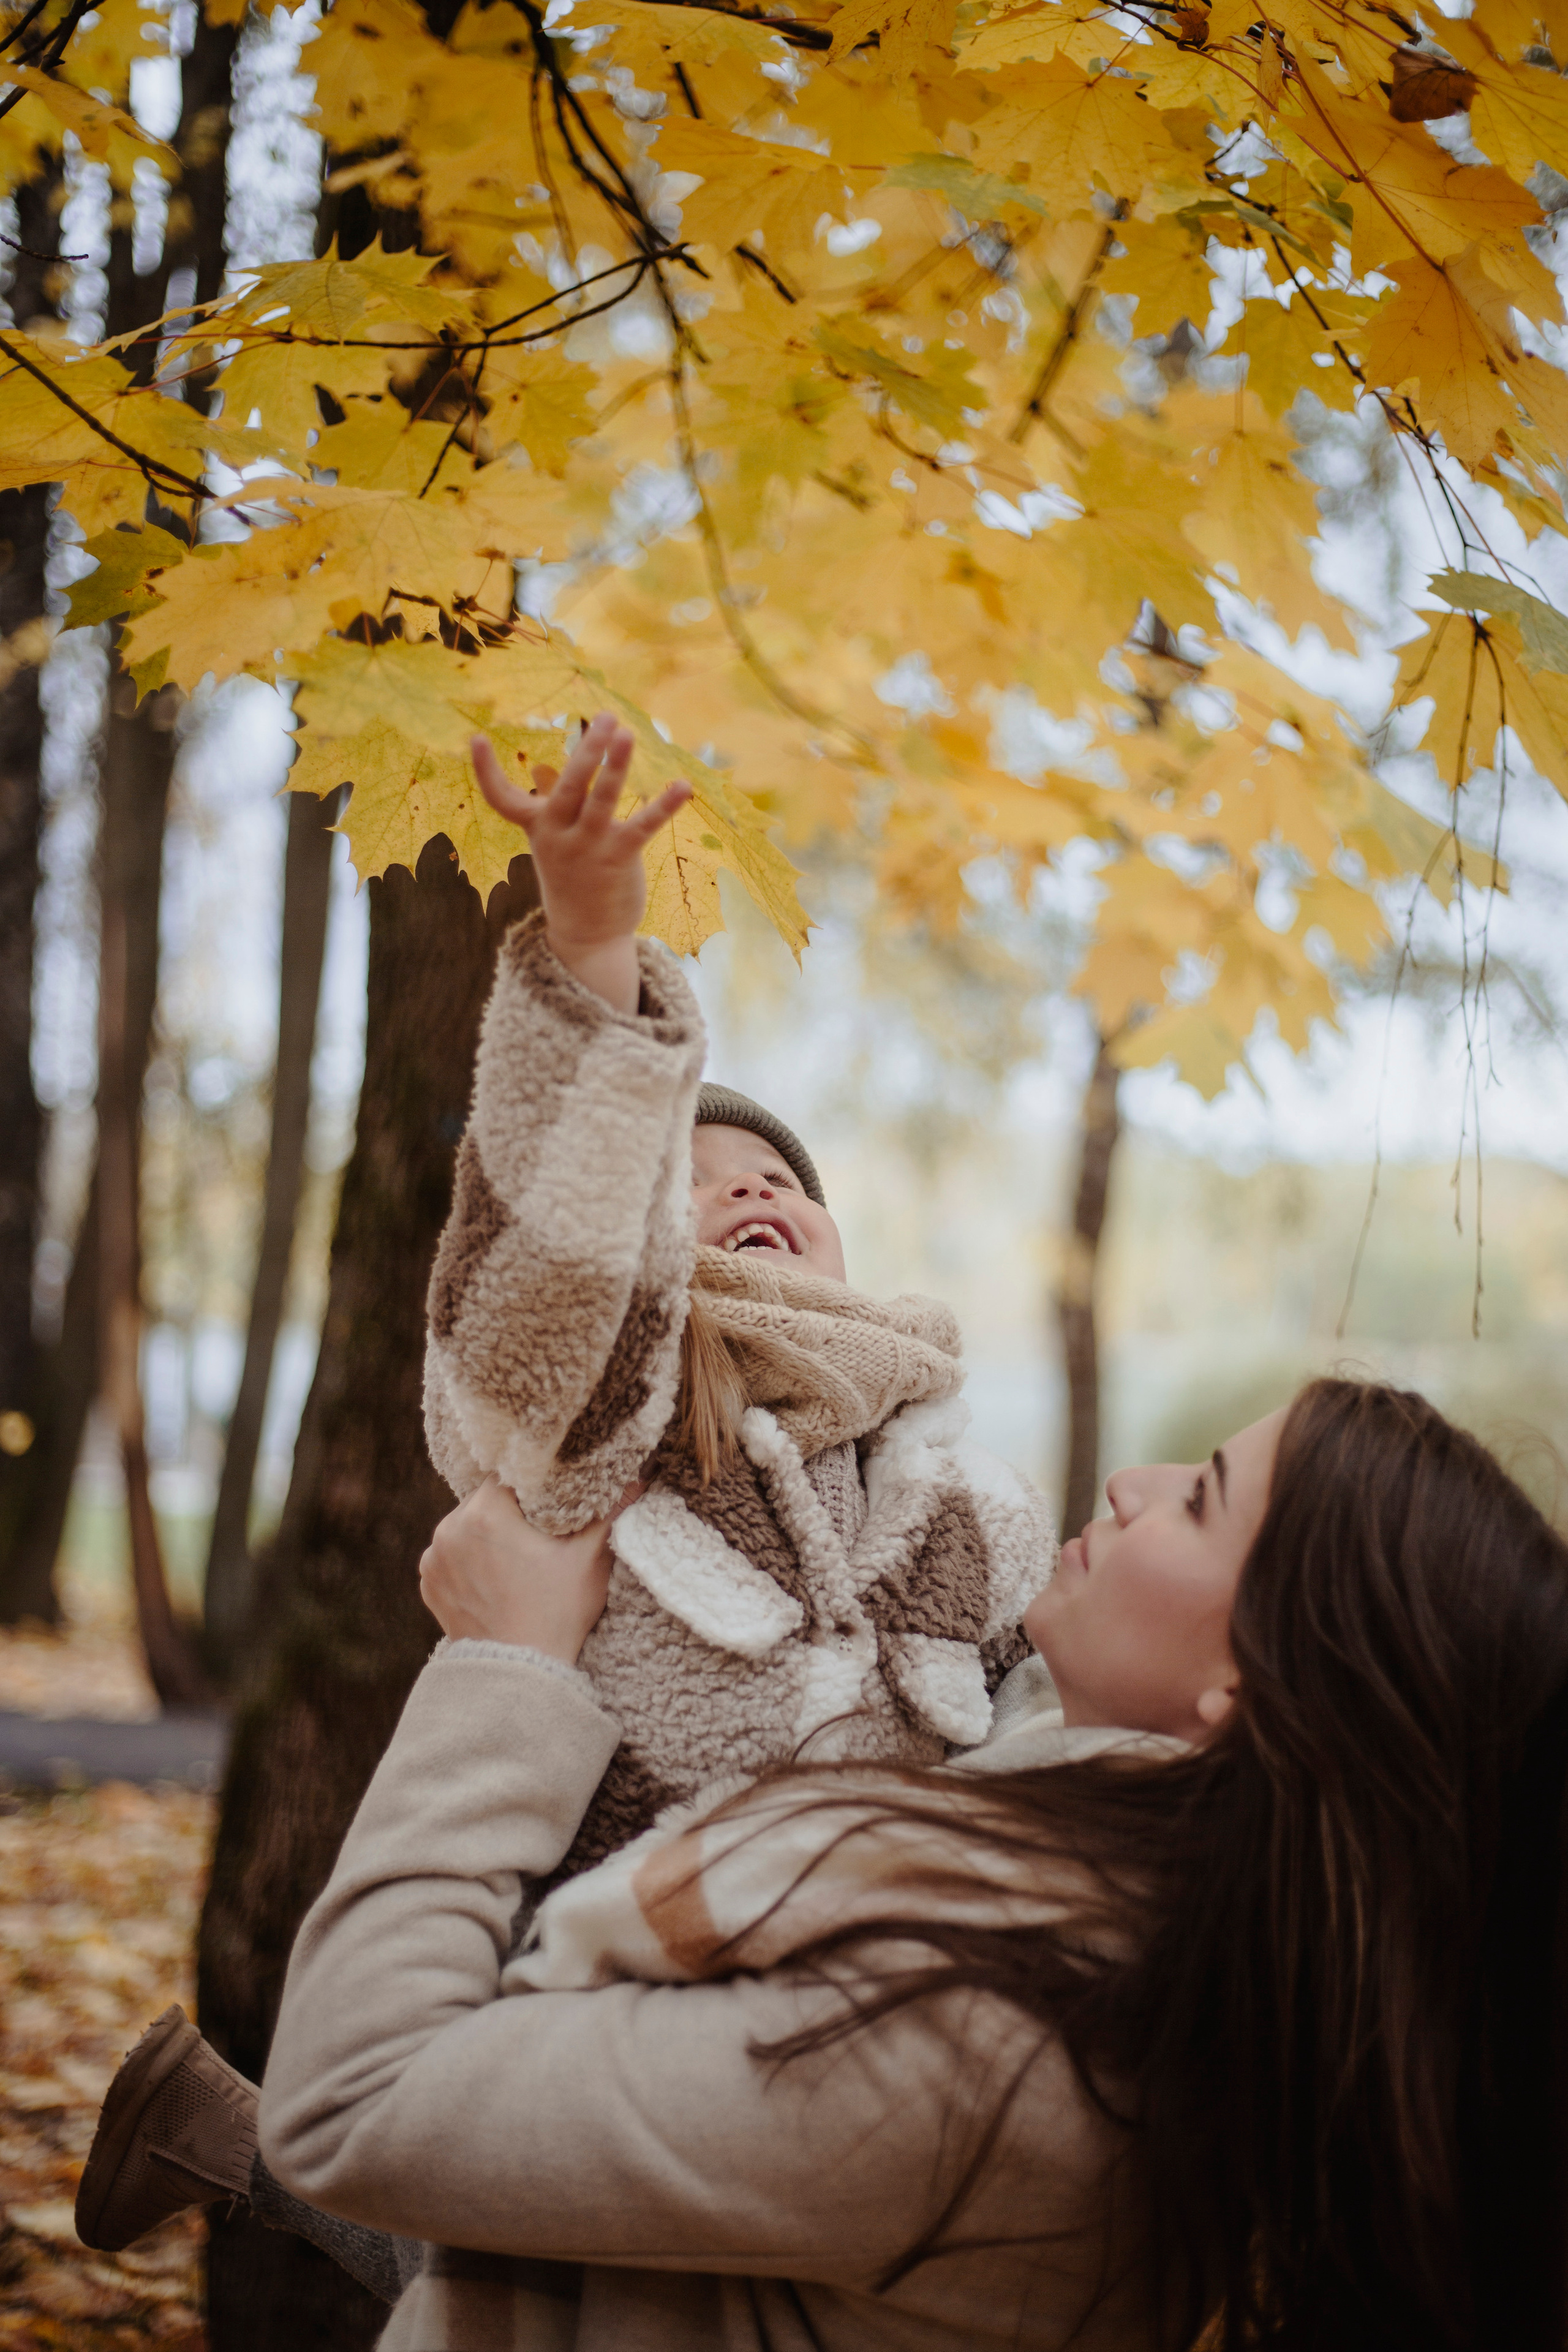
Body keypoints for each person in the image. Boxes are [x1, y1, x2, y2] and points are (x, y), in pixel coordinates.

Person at [79, 1376, 1568, 2349]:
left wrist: (503, 1662)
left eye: (1200, 1501)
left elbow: (361, 2107)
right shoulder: (1081, 1907)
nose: (1129, 1476)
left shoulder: (992, 2038)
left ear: (1250, 1687)